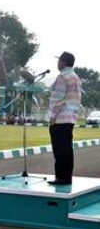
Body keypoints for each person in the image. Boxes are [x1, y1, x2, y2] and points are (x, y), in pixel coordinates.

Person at [48, 52, 82, 185]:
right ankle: (66, 177)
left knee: (59, 150)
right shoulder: (76, 77)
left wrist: (52, 117)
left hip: (60, 118)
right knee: (67, 150)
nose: (57, 63)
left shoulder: (62, 77)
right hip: (70, 118)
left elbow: (58, 99)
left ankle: (60, 177)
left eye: (59, 60)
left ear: (64, 62)